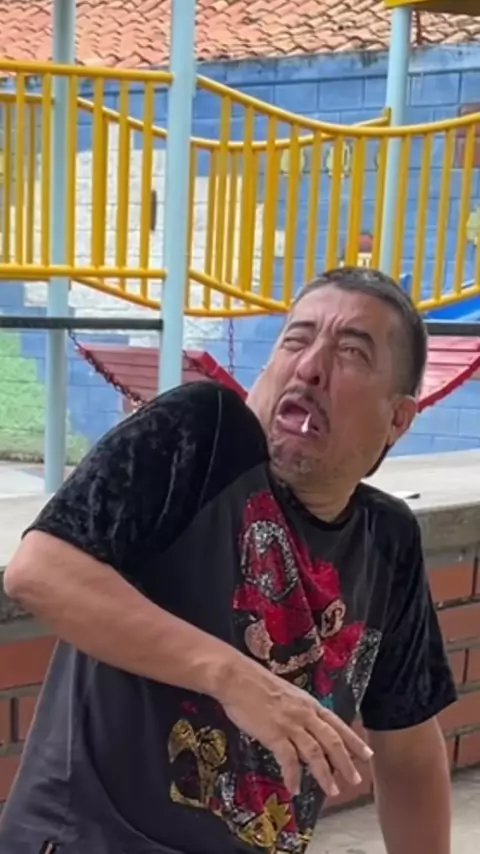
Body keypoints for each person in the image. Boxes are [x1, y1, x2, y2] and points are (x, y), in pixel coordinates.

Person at [2, 267, 455, 854]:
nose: (310, 366)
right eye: (296, 339)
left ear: (398, 418)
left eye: (351, 352)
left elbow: (409, 748)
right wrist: (233, 678)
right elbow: (40, 572)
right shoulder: (203, 433)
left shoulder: (386, 540)